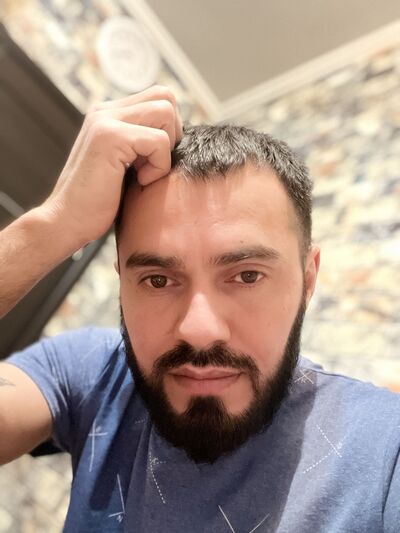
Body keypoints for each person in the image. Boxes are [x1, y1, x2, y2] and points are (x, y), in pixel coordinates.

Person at [0, 85, 399, 532]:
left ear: (308, 280)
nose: (200, 329)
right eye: (158, 280)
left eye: (247, 276)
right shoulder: (91, 372)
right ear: (121, 283)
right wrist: (53, 225)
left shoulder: (385, 449)